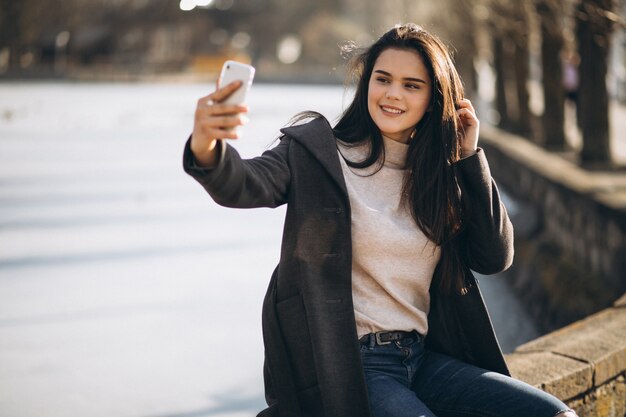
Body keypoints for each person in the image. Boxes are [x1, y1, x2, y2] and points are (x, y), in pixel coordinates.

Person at [183, 23, 577, 417]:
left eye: (412, 85)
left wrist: (469, 159)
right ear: (365, 83)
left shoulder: (436, 174)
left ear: (434, 99)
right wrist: (207, 146)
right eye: (382, 79)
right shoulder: (317, 153)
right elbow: (244, 184)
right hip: (353, 368)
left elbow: (494, 256)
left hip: (424, 359)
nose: (392, 94)